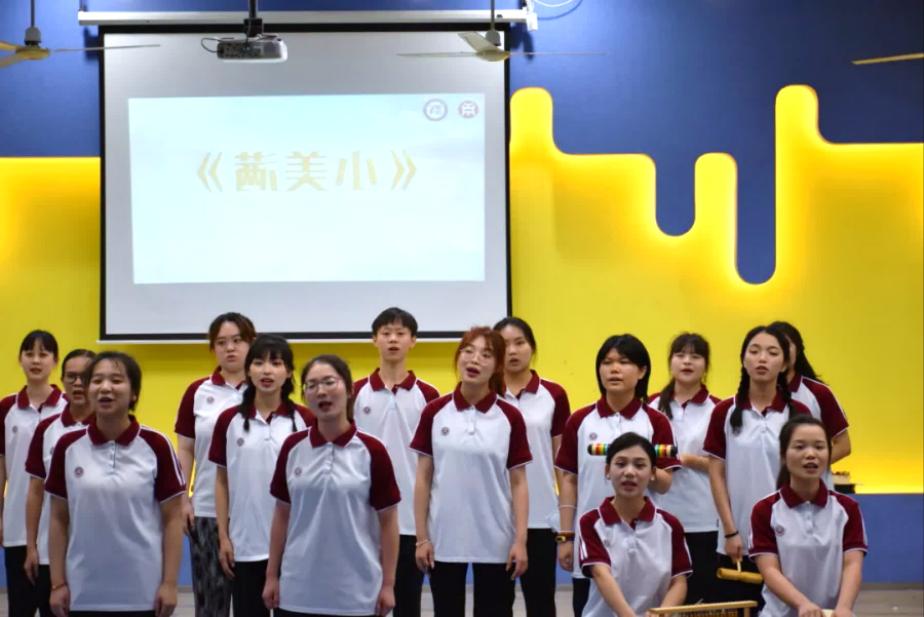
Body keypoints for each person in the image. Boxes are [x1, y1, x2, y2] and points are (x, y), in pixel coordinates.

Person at [46, 351, 185, 616]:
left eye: (116, 380)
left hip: (143, 593)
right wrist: (57, 583)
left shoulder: (157, 445)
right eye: (97, 380)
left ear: (134, 393)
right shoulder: (67, 446)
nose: (105, 388)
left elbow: (173, 519)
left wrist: (169, 584)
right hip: (83, 593)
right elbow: (58, 519)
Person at [263, 354, 400, 616]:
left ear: (349, 389)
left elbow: (389, 521)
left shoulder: (373, 450)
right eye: (312, 385)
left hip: (358, 596)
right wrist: (271, 576)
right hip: (297, 593)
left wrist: (388, 584)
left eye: (329, 382)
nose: (321, 391)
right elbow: (281, 514)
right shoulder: (292, 447)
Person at [555, 334, 679, 617]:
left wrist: (639, 467)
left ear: (642, 371)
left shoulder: (656, 421)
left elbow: (665, 484)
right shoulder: (580, 420)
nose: (614, 369)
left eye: (624, 362)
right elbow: (569, 480)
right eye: (607, 362)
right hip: (592, 536)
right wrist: (566, 536)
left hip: (643, 541)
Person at [411, 327, 531, 617]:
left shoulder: (510, 416)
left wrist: (520, 540)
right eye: (468, 351)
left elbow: (518, 482)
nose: (474, 359)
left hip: (496, 540)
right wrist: (422, 538)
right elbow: (423, 478)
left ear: (497, 366)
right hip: (443, 539)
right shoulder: (434, 411)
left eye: (486, 355)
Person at [703, 324, 811, 603]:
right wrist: (730, 531)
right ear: (743, 359)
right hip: (737, 542)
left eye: (772, 353)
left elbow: (808, 478)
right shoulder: (724, 412)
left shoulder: (799, 413)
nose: (762, 358)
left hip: (789, 540)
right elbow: (716, 474)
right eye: (754, 351)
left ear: (785, 363)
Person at [208, 335, 313, 617]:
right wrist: (223, 536)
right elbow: (221, 481)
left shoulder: (306, 420)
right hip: (245, 545)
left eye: (276, 363)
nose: (267, 371)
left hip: (295, 546)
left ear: (289, 372)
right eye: (258, 363)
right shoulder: (228, 420)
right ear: (248, 370)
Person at [353, 307, 439, 617]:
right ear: (374, 339)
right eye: (386, 333)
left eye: (400, 333)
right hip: (362, 519)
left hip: (410, 522)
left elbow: (434, 463)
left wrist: (425, 529)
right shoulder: (354, 393)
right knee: (362, 604)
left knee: (407, 603)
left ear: (413, 341)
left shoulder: (428, 395)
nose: (393, 339)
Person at [174, 312, 255, 617]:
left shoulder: (264, 389)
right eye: (221, 342)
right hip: (207, 510)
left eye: (237, 340)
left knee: (254, 604)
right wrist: (183, 499)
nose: (230, 348)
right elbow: (185, 449)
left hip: (255, 514)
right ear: (213, 348)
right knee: (210, 605)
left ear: (251, 343)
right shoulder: (198, 391)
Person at [750, 416, 866, 616]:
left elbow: (852, 564)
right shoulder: (764, 510)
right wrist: (802, 604)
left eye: (819, 447)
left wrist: (844, 607)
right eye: (800, 447)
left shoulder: (848, 508)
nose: (811, 454)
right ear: (783, 455)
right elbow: (769, 570)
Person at [494, 316, 570, 617]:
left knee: (541, 604)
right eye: (504, 345)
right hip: (496, 517)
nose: (512, 351)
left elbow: (562, 465)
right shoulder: (483, 392)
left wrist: (566, 525)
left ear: (532, 347)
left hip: (540, 516)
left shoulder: (553, 394)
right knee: (495, 605)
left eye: (520, 343)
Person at [578, 432, 691, 616]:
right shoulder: (591, 522)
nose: (629, 472)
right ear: (607, 470)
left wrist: (661, 613)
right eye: (621, 464)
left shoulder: (670, 525)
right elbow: (600, 574)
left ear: (653, 473)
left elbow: (679, 582)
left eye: (639, 465)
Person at [24, 349, 97, 617]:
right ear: (63, 380)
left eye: (85, 377)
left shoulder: (112, 428)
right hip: (50, 553)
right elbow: (35, 491)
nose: (78, 384)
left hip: (97, 554)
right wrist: (31, 546)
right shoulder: (47, 429)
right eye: (71, 377)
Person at [1, 330, 68, 617]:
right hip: (17, 526)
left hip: (59, 528)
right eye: (29, 354)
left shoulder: (69, 407)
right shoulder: (6, 408)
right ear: (20, 359)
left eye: (44, 354)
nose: (36, 360)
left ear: (55, 361)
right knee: (20, 607)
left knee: (57, 608)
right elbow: (1, 466)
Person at [649, 333, 720, 603]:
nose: (687, 361)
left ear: (706, 365)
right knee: (661, 597)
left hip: (703, 517)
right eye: (680, 355)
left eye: (695, 356)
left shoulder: (719, 409)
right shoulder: (650, 406)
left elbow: (727, 466)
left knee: (700, 597)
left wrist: (689, 460)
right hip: (657, 516)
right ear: (670, 362)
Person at [770, 321, 851, 471]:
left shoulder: (819, 392)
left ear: (798, 350)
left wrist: (808, 469)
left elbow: (843, 445)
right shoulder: (754, 395)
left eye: (786, 345)